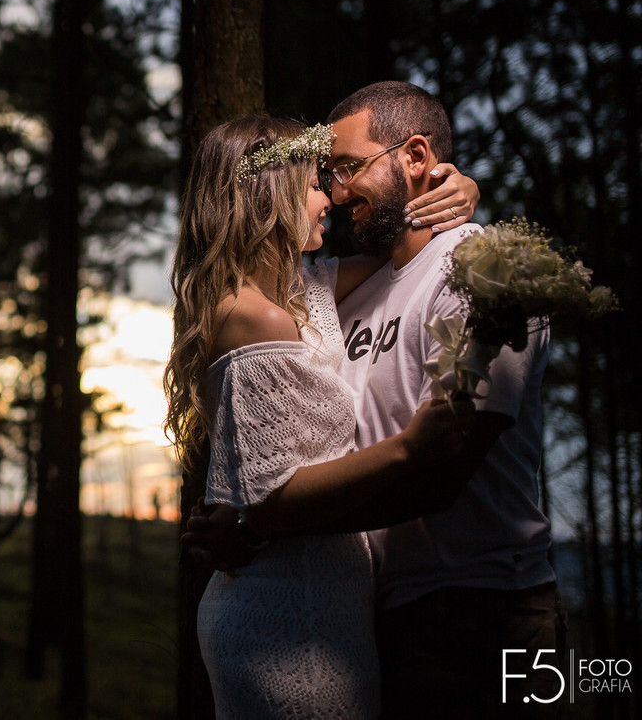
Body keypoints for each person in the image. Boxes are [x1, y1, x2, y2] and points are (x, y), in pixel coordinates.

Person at [185, 82, 563, 718]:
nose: (334, 191)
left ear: (414, 158)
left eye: (347, 168)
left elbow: (438, 474)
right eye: (324, 174)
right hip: (379, 610)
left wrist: (257, 525)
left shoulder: (487, 273)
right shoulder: (340, 292)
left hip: (491, 606)